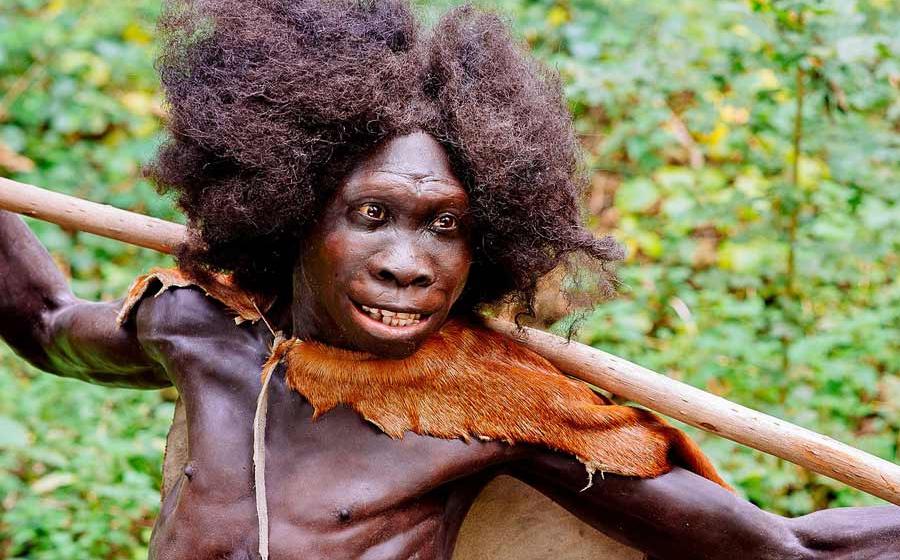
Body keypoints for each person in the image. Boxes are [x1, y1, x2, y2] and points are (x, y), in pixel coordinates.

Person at [1, 1, 898, 559]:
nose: (407, 262)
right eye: (371, 214)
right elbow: (43, 321)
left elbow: (786, 551)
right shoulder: (202, 329)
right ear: (293, 210)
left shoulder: (494, 409)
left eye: (447, 227)